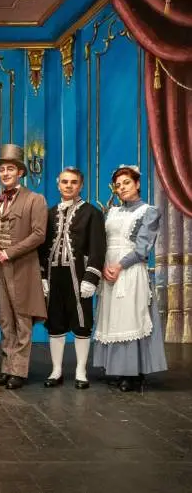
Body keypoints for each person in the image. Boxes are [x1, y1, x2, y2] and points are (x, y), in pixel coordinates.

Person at [93, 165, 167, 392]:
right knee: (113, 318)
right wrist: (104, 266)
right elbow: (103, 242)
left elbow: (143, 248)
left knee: (131, 318)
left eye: (126, 183)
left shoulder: (148, 211)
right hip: (109, 271)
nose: (122, 188)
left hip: (130, 270)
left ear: (137, 184)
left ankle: (133, 373)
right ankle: (117, 369)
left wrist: (119, 266)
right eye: (118, 185)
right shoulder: (112, 212)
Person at [0, 144, 47, 390]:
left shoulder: (35, 200)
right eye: (2, 169)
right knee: (5, 319)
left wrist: (9, 252)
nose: (5, 173)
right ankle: (8, 367)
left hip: (22, 267)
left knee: (22, 318)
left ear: (20, 172)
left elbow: (38, 234)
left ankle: (19, 370)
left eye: (10, 169)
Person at [39, 167, 106, 389]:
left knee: (81, 322)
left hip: (78, 275)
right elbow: (42, 249)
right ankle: (56, 370)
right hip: (53, 275)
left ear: (81, 185)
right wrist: (42, 276)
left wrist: (91, 278)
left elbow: (97, 248)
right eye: (65, 182)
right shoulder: (49, 214)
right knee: (55, 323)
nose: (69, 185)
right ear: (58, 184)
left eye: (73, 182)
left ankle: (80, 371)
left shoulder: (92, 213)